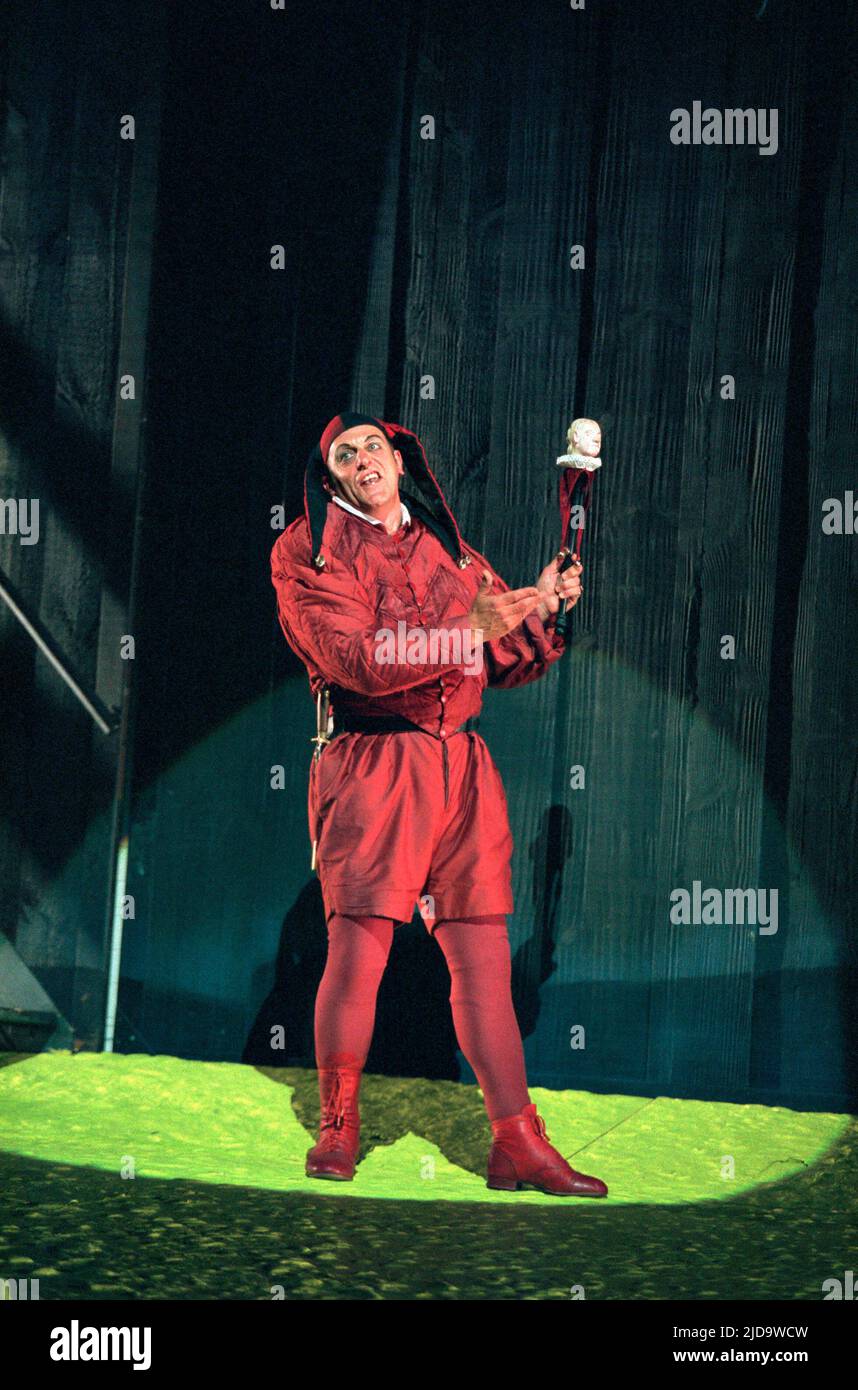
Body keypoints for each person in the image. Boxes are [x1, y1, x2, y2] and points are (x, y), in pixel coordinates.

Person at [270, 411, 607, 1198]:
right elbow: (354, 659)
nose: (363, 460)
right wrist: (468, 627)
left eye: (373, 447)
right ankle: (338, 1125)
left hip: (461, 770)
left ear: (397, 459)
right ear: (331, 478)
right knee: (358, 953)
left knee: (484, 962)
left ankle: (517, 1143)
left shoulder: (442, 546)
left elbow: (506, 659)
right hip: (373, 764)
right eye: (344, 455)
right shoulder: (308, 550)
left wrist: (542, 610)